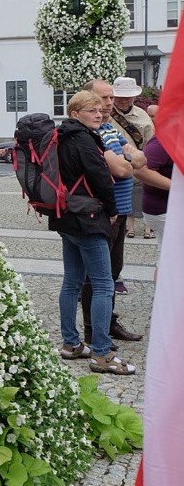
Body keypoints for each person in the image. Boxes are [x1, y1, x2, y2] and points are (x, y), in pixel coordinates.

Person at [50, 90, 134, 376]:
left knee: (72, 281)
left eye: (100, 110)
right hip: (88, 219)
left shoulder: (61, 137)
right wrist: (112, 210)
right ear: (75, 114)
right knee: (103, 284)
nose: (99, 114)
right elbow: (101, 178)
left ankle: (71, 343)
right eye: (92, 110)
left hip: (68, 217)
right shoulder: (84, 139)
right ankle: (101, 353)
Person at [79, 80, 144, 347]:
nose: (108, 103)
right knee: (96, 277)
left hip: (120, 211)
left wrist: (129, 159)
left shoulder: (108, 129)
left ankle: (108, 322)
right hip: (105, 213)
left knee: (113, 271)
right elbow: (123, 170)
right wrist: (129, 160)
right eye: (103, 98)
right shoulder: (91, 133)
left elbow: (141, 161)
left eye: (110, 98)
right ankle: (93, 331)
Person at [110, 76, 155, 238]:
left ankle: (147, 228)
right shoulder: (105, 114)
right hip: (114, 167)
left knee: (144, 196)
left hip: (139, 166)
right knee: (121, 200)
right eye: (120, 96)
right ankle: (128, 228)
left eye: (127, 96)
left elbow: (151, 142)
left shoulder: (143, 115)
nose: (124, 100)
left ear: (134, 97)